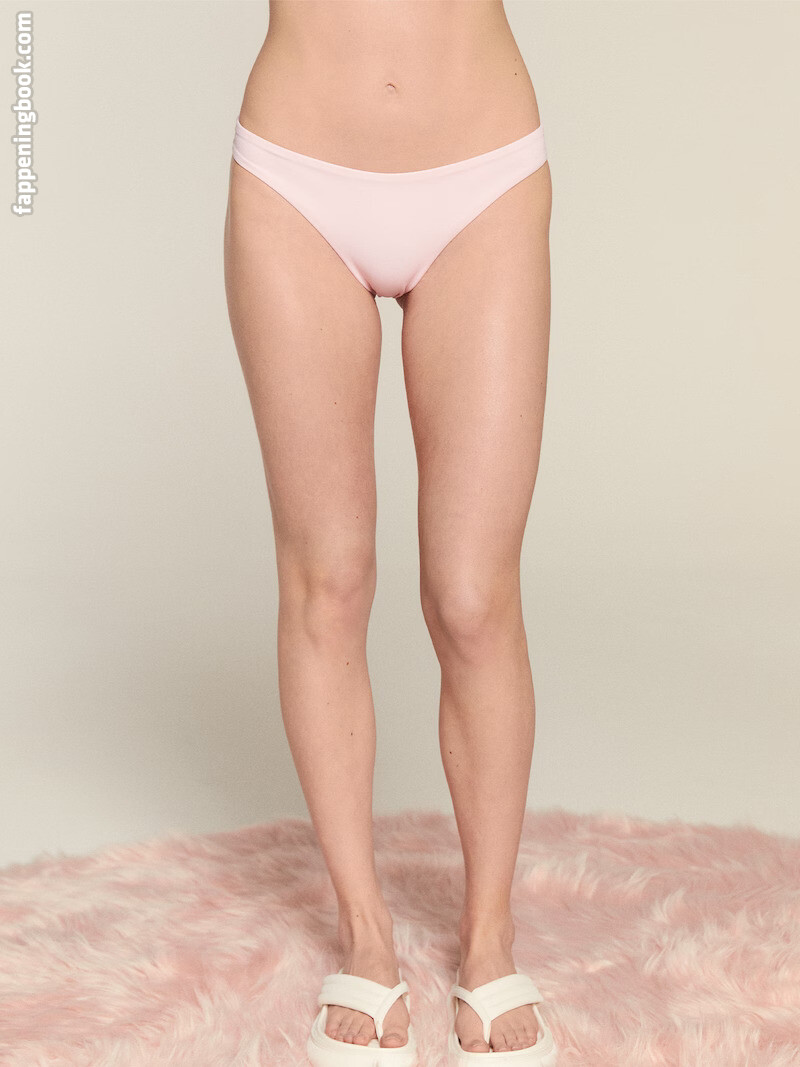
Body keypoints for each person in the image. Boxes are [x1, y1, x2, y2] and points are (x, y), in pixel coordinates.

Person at [223, 3, 556, 1063]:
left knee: (472, 595)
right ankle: (364, 934)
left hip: (482, 172)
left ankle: (489, 935)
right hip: (296, 176)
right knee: (327, 578)